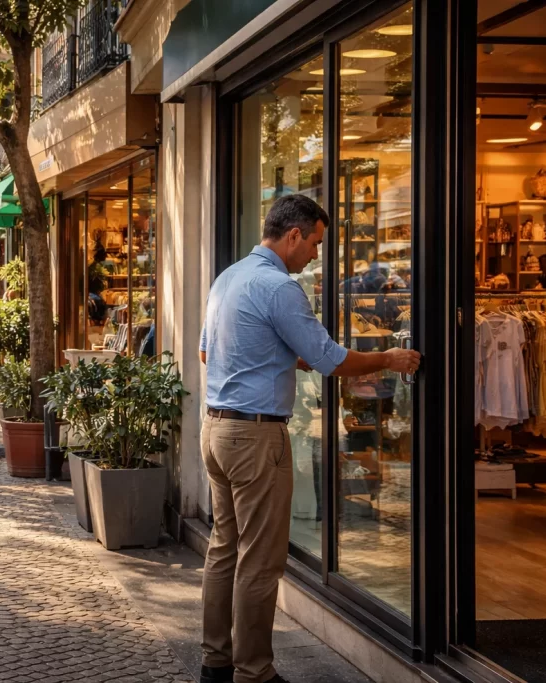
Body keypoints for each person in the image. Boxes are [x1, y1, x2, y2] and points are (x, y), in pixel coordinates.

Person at [197, 195, 421, 683]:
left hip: (215, 428)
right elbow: (332, 360)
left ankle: (215, 663)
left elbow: (206, 353)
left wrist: (281, 358)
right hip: (255, 437)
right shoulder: (280, 287)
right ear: (294, 235)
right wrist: (387, 359)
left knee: (224, 549)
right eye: (316, 242)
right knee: (259, 561)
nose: (317, 255)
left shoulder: (228, 277)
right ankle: (253, 672)